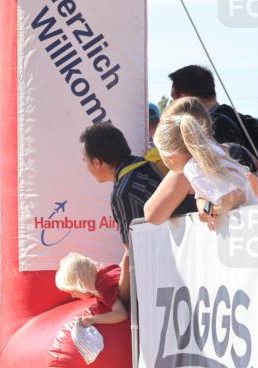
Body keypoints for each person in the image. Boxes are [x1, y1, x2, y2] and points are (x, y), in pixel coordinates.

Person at [80, 122, 191, 305]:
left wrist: (121, 300)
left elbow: (132, 253)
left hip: (169, 280)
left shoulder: (123, 193)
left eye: (86, 161)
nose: (87, 168)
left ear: (98, 162)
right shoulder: (145, 166)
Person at [153, 97, 258, 231]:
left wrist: (214, 210)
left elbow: (233, 196)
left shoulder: (192, 168)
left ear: (170, 156)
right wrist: (205, 207)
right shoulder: (214, 153)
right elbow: (203, 196)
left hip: (249, 226)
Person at [168, 64, 258, 172]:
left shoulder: (215, 126)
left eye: (174, 98)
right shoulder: (233, 116)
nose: (172, 104)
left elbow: (226, 174)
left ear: (184, 97)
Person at [55, 253, 128, 327]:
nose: (73, 296)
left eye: (72, 291)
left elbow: (121, 314)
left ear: (81, 284)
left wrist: (92, 319)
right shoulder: (106, 270)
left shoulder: (103, 289)